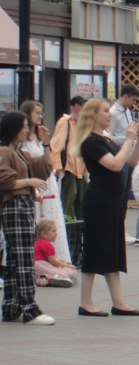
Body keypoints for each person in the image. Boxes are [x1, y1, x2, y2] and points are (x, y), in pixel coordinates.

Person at [72, 98, 139, 316]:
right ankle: (86, 302)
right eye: (105, 111)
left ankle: (118, 302)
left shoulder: (106, 138)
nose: (109, 114)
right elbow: (115, 165)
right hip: (99, 201)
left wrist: (137, 139)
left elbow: (131, 160)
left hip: (112, 201)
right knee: (95, 249)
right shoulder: (91, 141)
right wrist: (127, 139)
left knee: (113, 250)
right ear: (93, 115)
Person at [0, 110, 57, 325]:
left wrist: (45, 144)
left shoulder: (20, 153)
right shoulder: (5, 151)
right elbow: (4, 179)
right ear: (14, 128)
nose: (27, 130)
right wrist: (28, 183)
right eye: (24, 126)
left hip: (23, 205)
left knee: (16, 257)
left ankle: (11, 305)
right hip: (14, 205)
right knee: (24, 256)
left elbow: (43, 170)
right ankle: (29, 307)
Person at [20, 100, 71, 264]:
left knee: (52, 218)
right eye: (37, 113)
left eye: (41, 113)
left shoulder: (37, 136)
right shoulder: (23, 139)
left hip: (46, 180)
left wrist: (45, 142)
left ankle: (56, 259)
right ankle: (38, 260)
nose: (40, 116)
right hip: (34, 181)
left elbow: (48, 162)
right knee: (37, 218)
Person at [110, 84, 139, 240]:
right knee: (118, 195)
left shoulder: (128, 112)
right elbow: (109, 137)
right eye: (133, 100)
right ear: (125, 96)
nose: (134, 104)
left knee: (124, 197)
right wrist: (128, 138)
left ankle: (120, 228)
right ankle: (116, 229)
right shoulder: (113, 113)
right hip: (119, 155)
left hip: (129, 156)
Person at [49, 94, 87, 220]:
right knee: (69, 197)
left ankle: (81, 230)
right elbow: (56, 145)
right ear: (73, 107)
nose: (82, 108)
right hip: (69, 165)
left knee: (82, 199)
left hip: (80, 167)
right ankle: (69, 229)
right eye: (80, 105)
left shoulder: (81, 123)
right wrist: (57, 166)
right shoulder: (65, 121)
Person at [33, 219, 77, 287]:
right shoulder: (47, 244)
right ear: (43, 234)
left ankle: (44, 280)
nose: (56, 233)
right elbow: (53, 261)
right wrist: (66, 265)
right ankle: (55, 279)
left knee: (50, 273)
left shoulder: (37, 243)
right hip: (42, 266)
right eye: (53, 231)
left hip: (35, 267)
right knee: (60, 271)